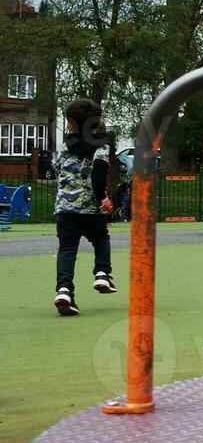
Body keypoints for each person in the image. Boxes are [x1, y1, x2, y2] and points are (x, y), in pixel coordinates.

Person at [52, 98, 116, 316]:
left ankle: (64, 291)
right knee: (101, 239)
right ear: (97, 123)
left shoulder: (63, 147)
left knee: (67, 249)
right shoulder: (101, 146)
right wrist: (102, 198)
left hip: (65, 208)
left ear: (69, 124)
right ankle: (102, 274)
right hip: (89, 208)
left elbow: (56, 169)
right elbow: (99, 172)